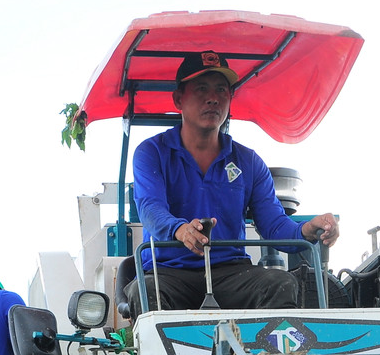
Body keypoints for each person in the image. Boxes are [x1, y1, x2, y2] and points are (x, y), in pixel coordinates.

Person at [126, 50, 341, 314]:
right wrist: (180, 230)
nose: (213, 99)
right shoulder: (151, 152)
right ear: (178, 99)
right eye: (201, 88)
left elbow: (274, 226)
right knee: (145, 292)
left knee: (280, 283)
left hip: (231, 273)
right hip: (167, 273)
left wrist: (308, 229)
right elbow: (150, 208)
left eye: (221, 90)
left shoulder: (249, 161)